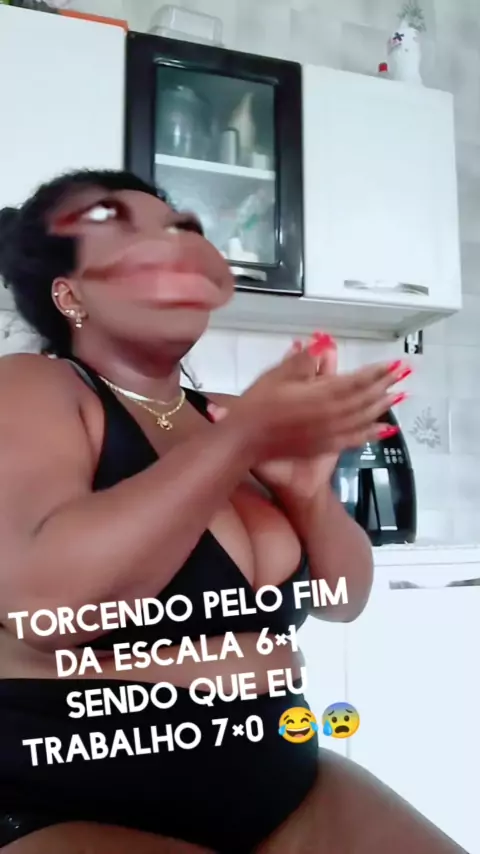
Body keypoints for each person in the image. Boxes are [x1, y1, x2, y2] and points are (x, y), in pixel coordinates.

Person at [0, 170, 465, 854]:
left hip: (285, 781)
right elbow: (49, 608)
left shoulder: (225, 413)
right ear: (70, 295)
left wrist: (306, 492)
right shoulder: (34, 386)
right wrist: (241, 440)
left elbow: (344, 600)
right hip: (79, 797)